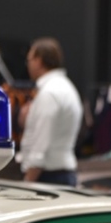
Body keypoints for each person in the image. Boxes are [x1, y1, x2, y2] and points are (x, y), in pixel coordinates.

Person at [19, 37, 83, 185]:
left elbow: (41, 143)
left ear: (39, 61)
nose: (28, 65)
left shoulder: (49, 92)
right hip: (60, 173)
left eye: (29, 60)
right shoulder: (65, 87)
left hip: (49, 177)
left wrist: (28, 181)